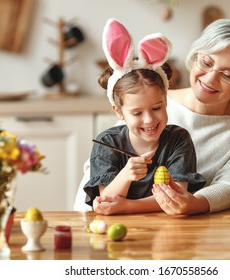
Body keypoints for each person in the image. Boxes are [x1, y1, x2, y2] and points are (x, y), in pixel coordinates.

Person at [75, 18, 230, 215]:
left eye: (228, 75)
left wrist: (194, 204)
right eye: (206, 62)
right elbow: (97, 179)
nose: (210, 78)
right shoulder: (148, 99)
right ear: (195, 56)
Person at [83, 19, 206, 214]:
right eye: (137, 113)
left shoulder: (178, 140)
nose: (149, 119)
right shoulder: (105, 142)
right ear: (119, 112)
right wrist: (125, 175)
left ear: (165, 101)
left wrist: (127, 206)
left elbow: (176, 198)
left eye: (156, 108)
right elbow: (106, 202)